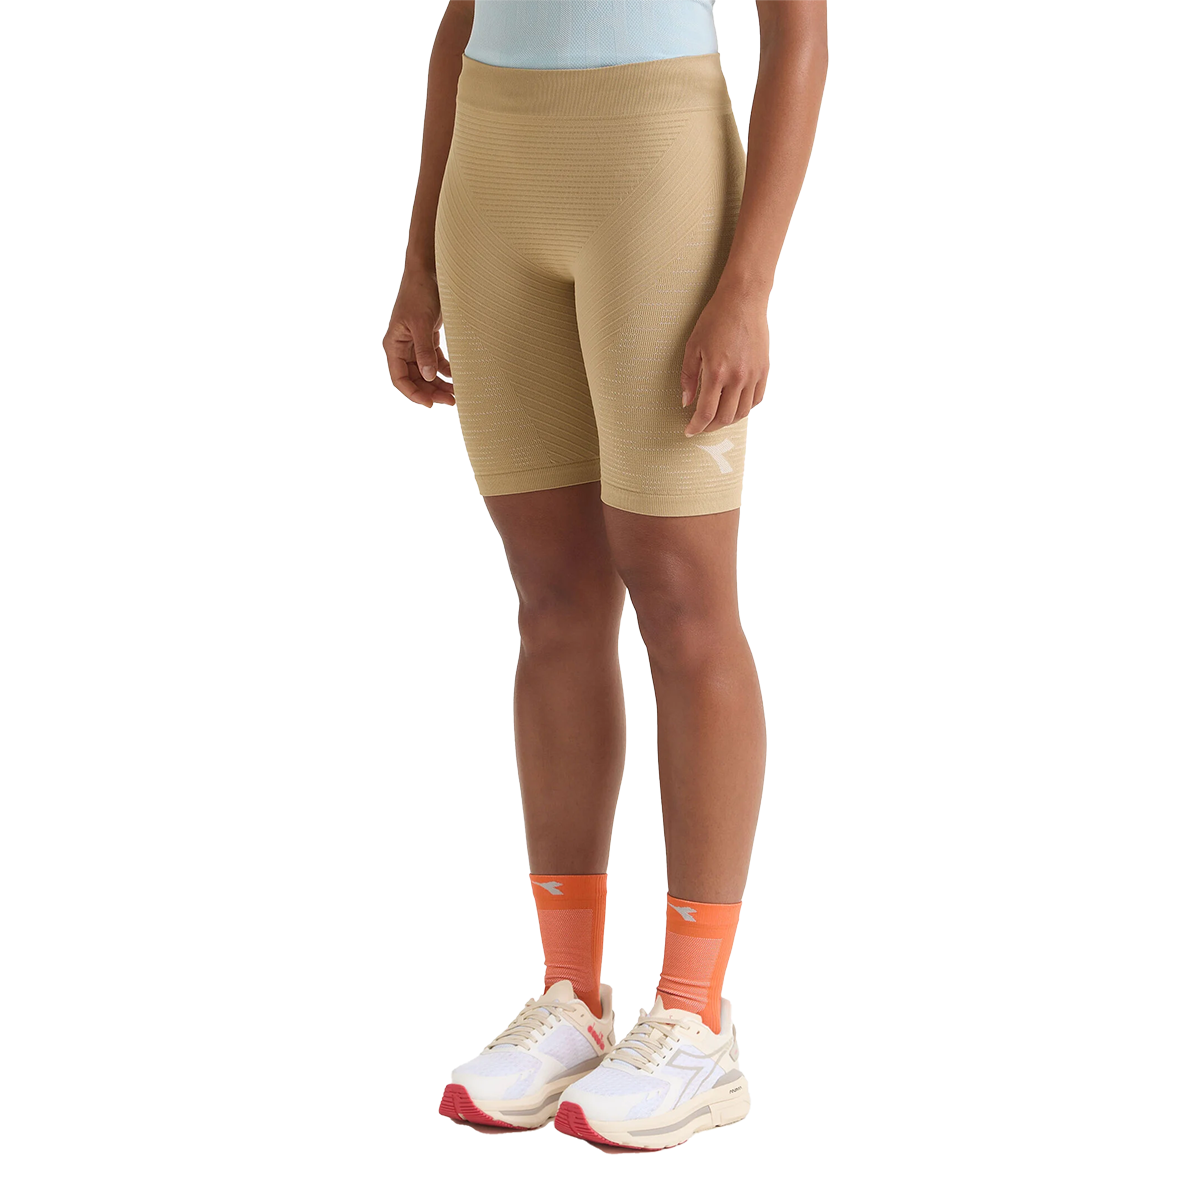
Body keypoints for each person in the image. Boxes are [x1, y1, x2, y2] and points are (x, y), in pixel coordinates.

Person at [383, 0, 826, 1150]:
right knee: (554, 600)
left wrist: (749, 286)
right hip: (493, 173)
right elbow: (460, 17)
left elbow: (800, 32)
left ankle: (695, 1017)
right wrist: (417, 260)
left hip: (656, 163)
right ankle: (572, 999)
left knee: (682, 596)